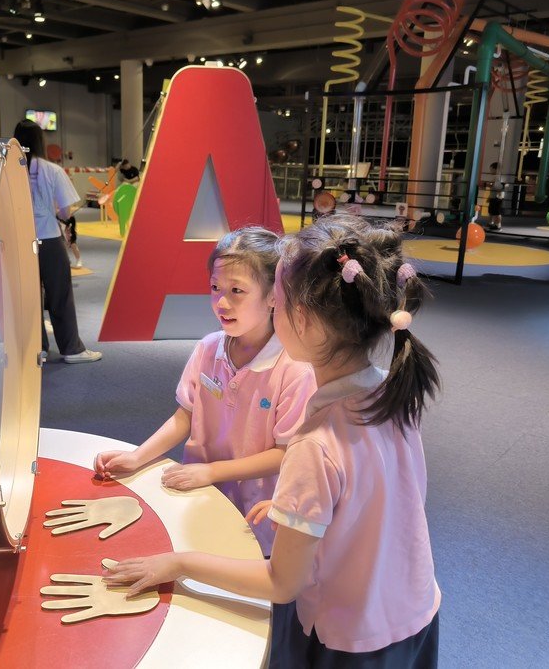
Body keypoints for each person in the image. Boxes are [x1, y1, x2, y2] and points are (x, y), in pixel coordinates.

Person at [105, 214, 441, 667]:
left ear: (300, 319)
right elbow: (386, 495)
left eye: (277, 302)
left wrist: (178, 563)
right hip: (415, 609)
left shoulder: (314, 444)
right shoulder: (391, 387)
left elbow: (282, 583)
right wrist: (300, 509)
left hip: (351, 637)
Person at [94, 227, 316, 554]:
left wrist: (212, 471)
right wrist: (137, 456)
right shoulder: (209, 348)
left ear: (274, 295)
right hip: (200, 492)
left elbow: (285, 453)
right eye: (215, 287)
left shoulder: (294, 368)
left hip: (255, 514)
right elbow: (184, 416)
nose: (221, 302)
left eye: (237, 290)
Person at [13, 120, 101, 364]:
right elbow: (65, 211)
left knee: (27, 297)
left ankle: (36, 349)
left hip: (20, 243)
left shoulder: (7, 170)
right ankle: (71, 349)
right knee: (60, 295)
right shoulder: (52, 170)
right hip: (49, 241)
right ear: (40, 141)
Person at [486, 162, 503, 231]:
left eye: (491, 169)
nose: (490, 171)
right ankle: (492, 224)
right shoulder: (498, 177)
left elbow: (499, 187)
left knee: (496, 212)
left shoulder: (497, 177)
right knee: (493, 211)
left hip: (496, 197)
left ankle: (497, 226)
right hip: (495, 197)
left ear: (495, 169)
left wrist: (488, 185)